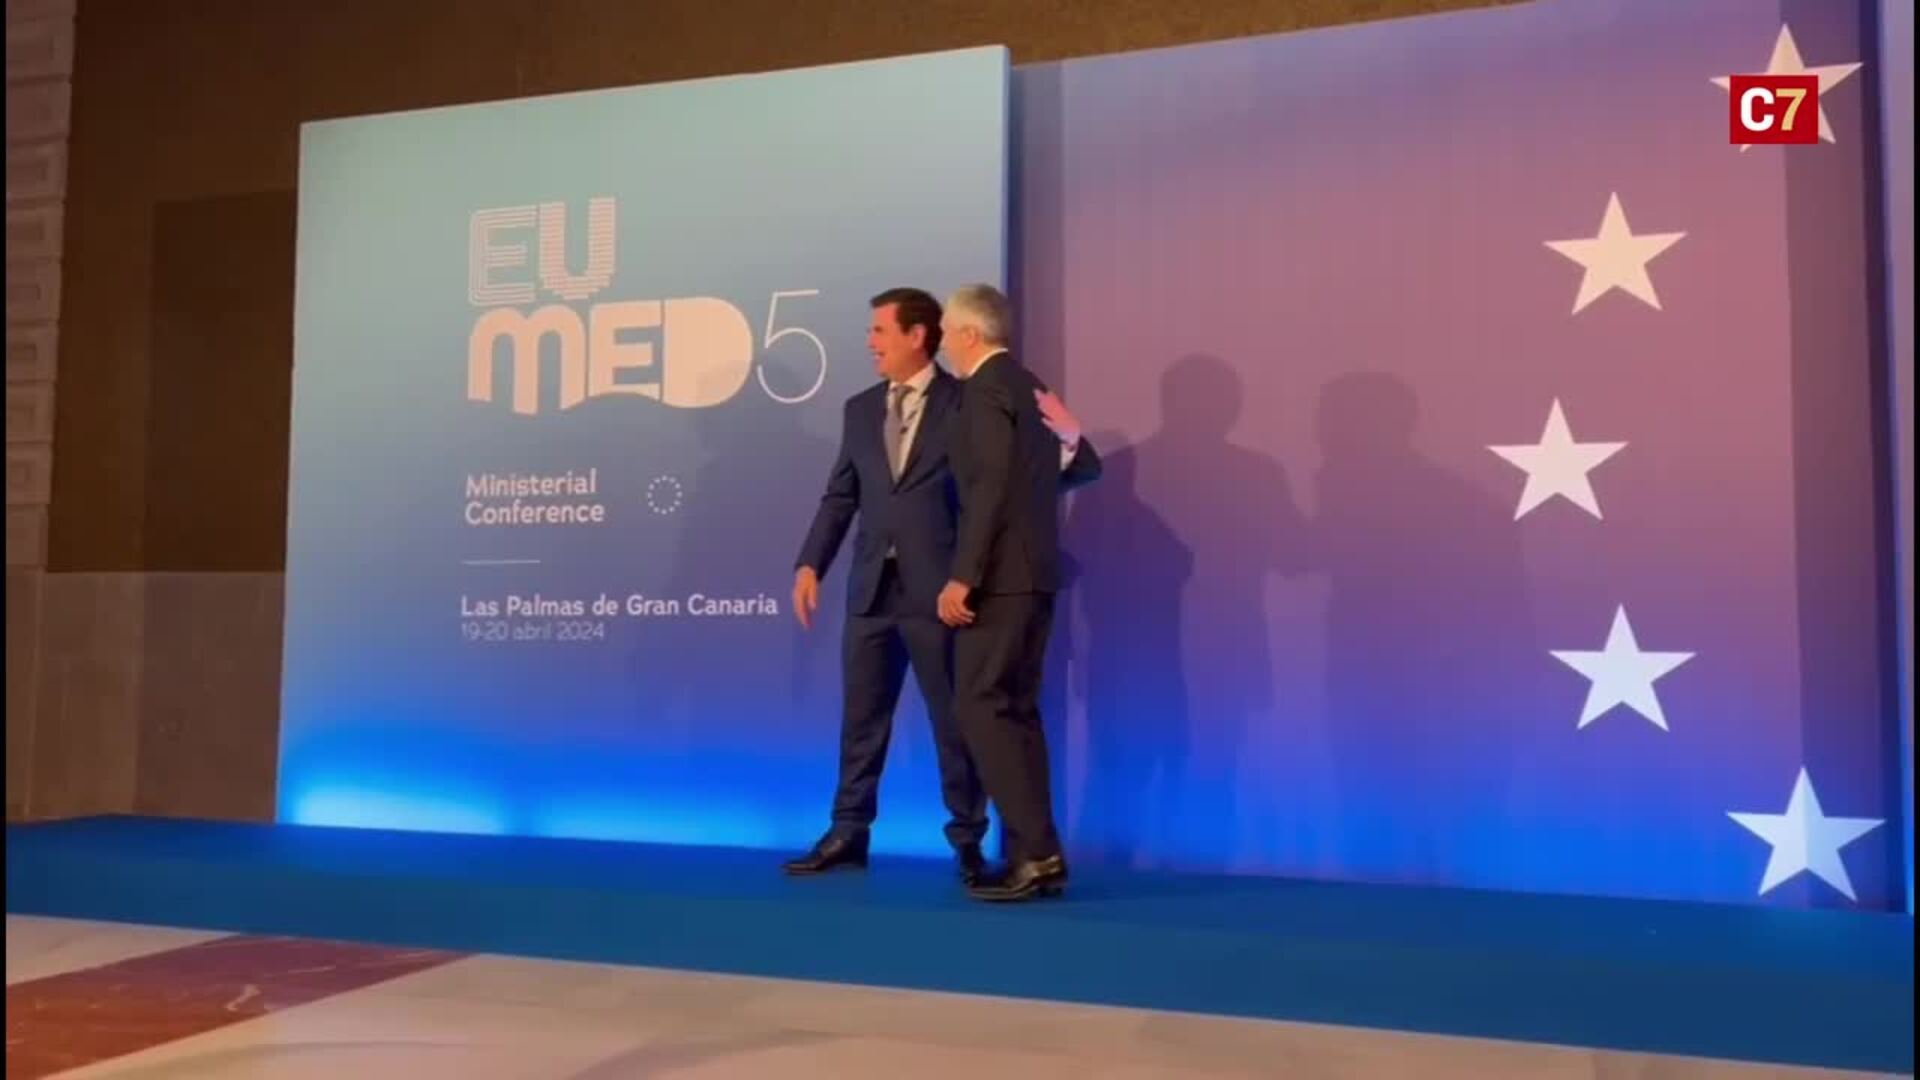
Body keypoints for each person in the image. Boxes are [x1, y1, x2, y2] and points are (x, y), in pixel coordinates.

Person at [785, 288, 1097, 884]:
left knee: (958, 721)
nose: (870, 343)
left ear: (918, 335)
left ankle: (968, 839)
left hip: (945, 589)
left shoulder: (969, 396)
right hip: (872, 588)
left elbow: (1011, 480)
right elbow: (841, 494)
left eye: (879, 331)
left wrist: (967, 575)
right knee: (861, 719)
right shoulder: (859, 409)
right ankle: (848, 830)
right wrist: (810, 564)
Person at [936, 284, 1101, 902]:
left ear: (969, 334)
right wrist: (1070, 439)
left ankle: (1036, 852)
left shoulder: (984, 390)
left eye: (947, 332)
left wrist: (965, 574)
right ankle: (1041, 856)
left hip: (1001, 580)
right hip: (1035, 578)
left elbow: (990, 488)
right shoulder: (1028, 386)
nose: (943, 343)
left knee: (982, 706)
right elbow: (1084, 465)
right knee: (1015, 710)